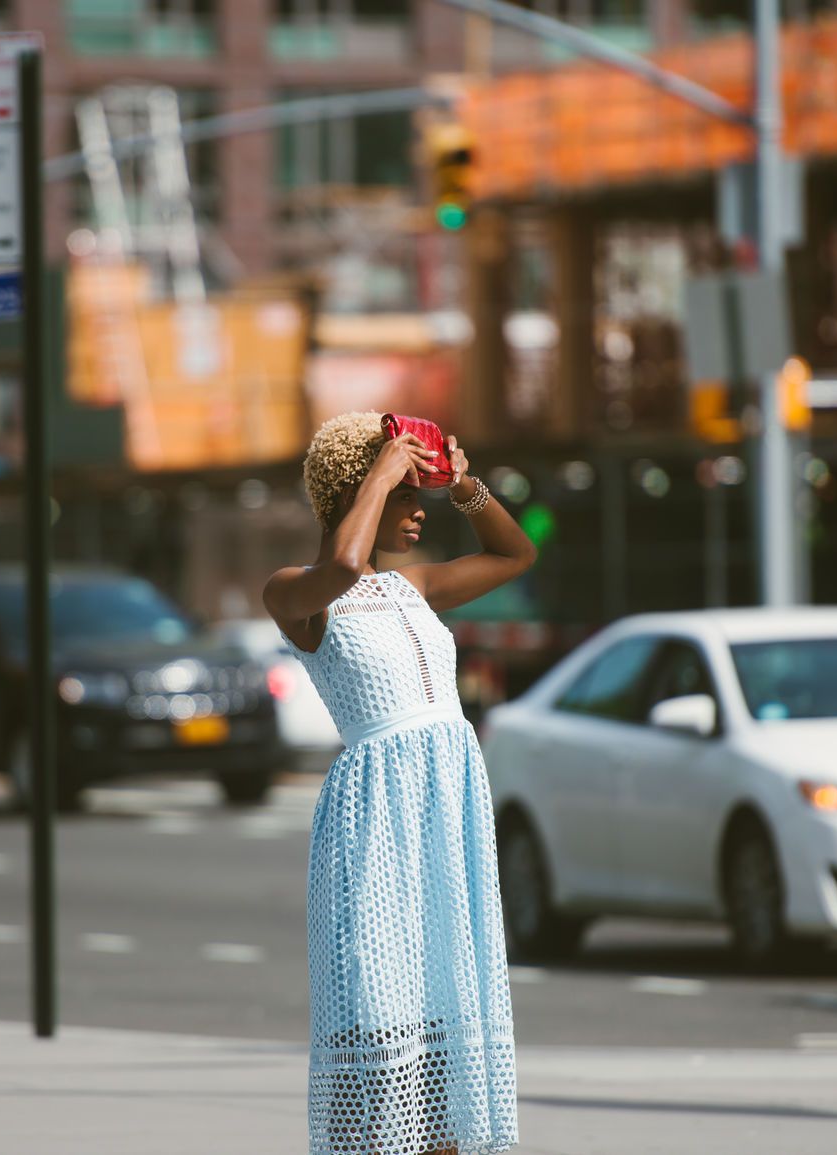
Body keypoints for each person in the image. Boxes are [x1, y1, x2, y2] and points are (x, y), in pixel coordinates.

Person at [264, 412, 536, 1155]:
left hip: (445, 811)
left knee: (444, 1028)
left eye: (422, 493)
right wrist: (381, 469)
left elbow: (515, 553)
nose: (419, 508)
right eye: (406, 493)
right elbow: (343, 566)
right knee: (381, 1025)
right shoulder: (298, 594)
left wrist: (466, 486)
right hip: (376, 820)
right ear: (360, 489)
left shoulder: (414, 588)